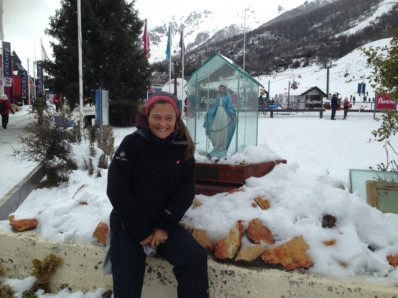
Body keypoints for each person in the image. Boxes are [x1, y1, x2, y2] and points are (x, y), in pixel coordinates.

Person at [107, 91, 209, 298]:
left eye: (169, 118)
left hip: (163, 225)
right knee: (127, 287)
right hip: (129, 226)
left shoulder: (183, 147)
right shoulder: (132, 143)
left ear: (176, 118)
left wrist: (164, 226)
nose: (162, 124)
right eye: (157, 117)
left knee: (194, 258)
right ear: (147, 116)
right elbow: (116, 189)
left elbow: (185, 191)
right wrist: (142, 231)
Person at [203, 82, 237, 158]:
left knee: (223, 130)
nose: (221, 88)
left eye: (223, 87)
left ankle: (223, 146)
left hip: (225, 114)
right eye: (220, 87)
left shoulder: (228, 97)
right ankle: (217, 146)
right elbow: (215, 106)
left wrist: (233, 115)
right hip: (218, 113)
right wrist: (209, 113)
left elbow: (230, 106)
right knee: (215, 126)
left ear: (226, 88)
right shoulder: (218, 96)